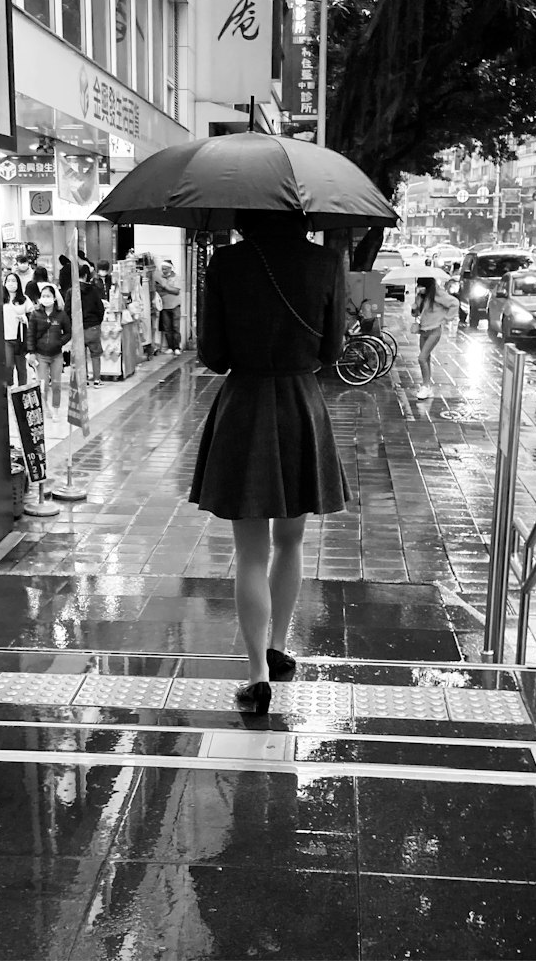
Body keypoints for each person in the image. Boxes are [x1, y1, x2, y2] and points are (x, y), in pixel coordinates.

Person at [189, 210, 349, 717]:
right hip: (302, 405)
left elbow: (213, 355)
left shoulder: (226, 263)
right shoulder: (327, 262)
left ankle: (257, 672)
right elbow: (333, 349)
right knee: (292, 540)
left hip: (245, 408)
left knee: (250, 553)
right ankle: (279, 646)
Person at [26, 284, 71, 420]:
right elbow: (30, 334)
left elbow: (69, 332)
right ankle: (45, 408)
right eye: (44, 296)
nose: (46, 299)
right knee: (43, 385)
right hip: (41, 355)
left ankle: (56, 410)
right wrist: (31, 352)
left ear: (54, 298)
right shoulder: (35, 314)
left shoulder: (61, 315)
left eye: (49, 296)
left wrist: (60, 342)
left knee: (56, 384)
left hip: (57, 355)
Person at [411, 276, 458, 400]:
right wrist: (415, 307)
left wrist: (446, 318)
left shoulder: (438, 294)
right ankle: (427, 386)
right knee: (426, 358)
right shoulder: (421, 296)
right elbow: (415, 313)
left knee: (421, 358)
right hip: (423, 330)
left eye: (421, 285)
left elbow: (454, 303)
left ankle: (425, 386)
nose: (419, 288)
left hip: (434, 331)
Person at [72, 263, 106, 386]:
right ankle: (97, 379)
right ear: (86, 275)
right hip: (93, 327)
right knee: (95, 354)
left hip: (78, 328)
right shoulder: (94, 290)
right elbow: (100, 308)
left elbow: (67, 310)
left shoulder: (72, 291)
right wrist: (97, 322)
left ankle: (83, 379)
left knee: (81, 355)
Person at [2, 272, 30, 386]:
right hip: (6, 338)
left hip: (20, 338)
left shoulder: (24, 299)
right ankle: (9, 387)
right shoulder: (1, 298)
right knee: (8, 365)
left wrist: (24, 318)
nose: (11, 283)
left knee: (21, 367)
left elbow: (31, 314)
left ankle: (22, 390)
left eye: (14, 281)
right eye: (9, 280)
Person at [155, 260, 182, 354]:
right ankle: (170, 347)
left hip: (175, 305)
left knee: (175, 327)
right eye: (162, 269)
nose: (164, 271)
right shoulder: (161, 279)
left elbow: (176, 291)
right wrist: (168, 289)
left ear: (170, 268)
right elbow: (158, 292)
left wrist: (165, 287)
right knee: (167, 328)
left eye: (165, 269)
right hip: (164, 306)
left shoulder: (176, 277)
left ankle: (177, 347)